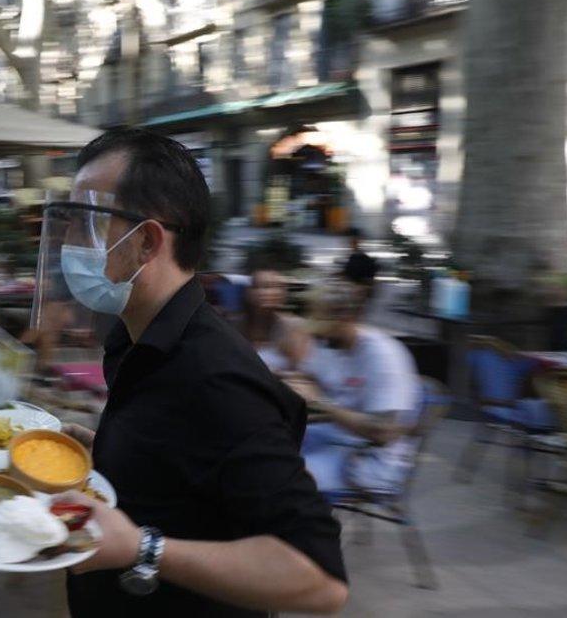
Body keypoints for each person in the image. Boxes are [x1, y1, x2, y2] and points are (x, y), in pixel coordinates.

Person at [37, 128, 346, 616]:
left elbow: (319, 577)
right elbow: (190, 470)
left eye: (87, 225)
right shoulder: (134, 340)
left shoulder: (215, 377)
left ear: (147, 243)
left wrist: (145, 549)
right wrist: (112, 453)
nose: (70, 244)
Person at [284, 280, 421, 494]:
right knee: (267, 449)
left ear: (347, 318)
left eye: (325, 328)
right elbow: (310, 376)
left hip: (371, 460)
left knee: (279, 478)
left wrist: (323, 404)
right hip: (341, 439)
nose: (320, 335)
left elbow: (383, 431)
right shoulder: (337, 346)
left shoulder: (380, 355)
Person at [240, 264, 311, 373]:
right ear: (249, 293)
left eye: (276, 287)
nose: (268, 293)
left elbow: (301, 373)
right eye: (261, 286)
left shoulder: (294, 327)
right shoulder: (235, 326)